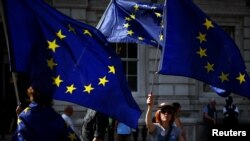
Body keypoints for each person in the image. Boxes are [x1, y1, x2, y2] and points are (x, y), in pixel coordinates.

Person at [13, 85, 80, 141]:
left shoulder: (25, 117)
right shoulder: (57, 118)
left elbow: (19, 137)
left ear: (32, 95)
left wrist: (19, 117)